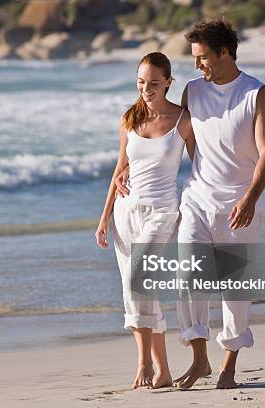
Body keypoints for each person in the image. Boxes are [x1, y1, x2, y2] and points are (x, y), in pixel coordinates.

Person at [116, 19, 265, 390]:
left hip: (240, 204)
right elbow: (170, 142)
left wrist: (250, 198)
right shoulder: (193, 91)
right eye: (194, 58)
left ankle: (228, 365)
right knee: (189, 280)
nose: (197, 65)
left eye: (203, 58)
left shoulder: (257, 94)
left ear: (225, 53)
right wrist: (128, 169)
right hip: (197, 199)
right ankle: (200, 360)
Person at [95, 52, 195, 390]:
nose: (146, 89)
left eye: (153, 83)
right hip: (126, 212)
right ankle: (162, 370)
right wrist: (104, 216)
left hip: (162, 211)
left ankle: (142, 362)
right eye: (140, 82)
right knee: (137, 288)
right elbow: (119, 168)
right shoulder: (129, 119)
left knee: (139, 276)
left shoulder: (184, 120)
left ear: (168, 81)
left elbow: (202, 165)